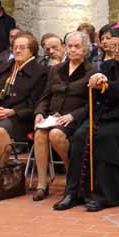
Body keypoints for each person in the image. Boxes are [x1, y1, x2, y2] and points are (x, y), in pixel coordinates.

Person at [55, 21, 119, 212]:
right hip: (107, 115)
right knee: (81, 135)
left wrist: (106, 85)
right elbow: (99, 94)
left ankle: (106, 194)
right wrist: (95, 83)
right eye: (113, 46)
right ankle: (73, 192)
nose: (116, 50)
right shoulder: (108, 65)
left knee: (104, 137)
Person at [0, 32, 46, 193]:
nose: (17, 50)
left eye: (22, 47)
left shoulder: (40, 72)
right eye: (15, 47)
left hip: (21, 117)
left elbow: (36, 101)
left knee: (1, 131)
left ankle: (1, 176)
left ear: (32, 50)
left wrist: (13, 111)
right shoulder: (5, 68)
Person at [32, 31, 95, 201]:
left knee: (55, 134)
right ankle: (42, 184)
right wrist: (39, 113)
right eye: (70, 46)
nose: (72, 50)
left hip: (75, 119)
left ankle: (72, 175)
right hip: (53, 116)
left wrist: (72, 116)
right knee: (39, 134)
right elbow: (45, 97)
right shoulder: (56, 69)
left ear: (85, 49)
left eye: (77, 46)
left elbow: (92, 103)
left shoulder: (92, 71)